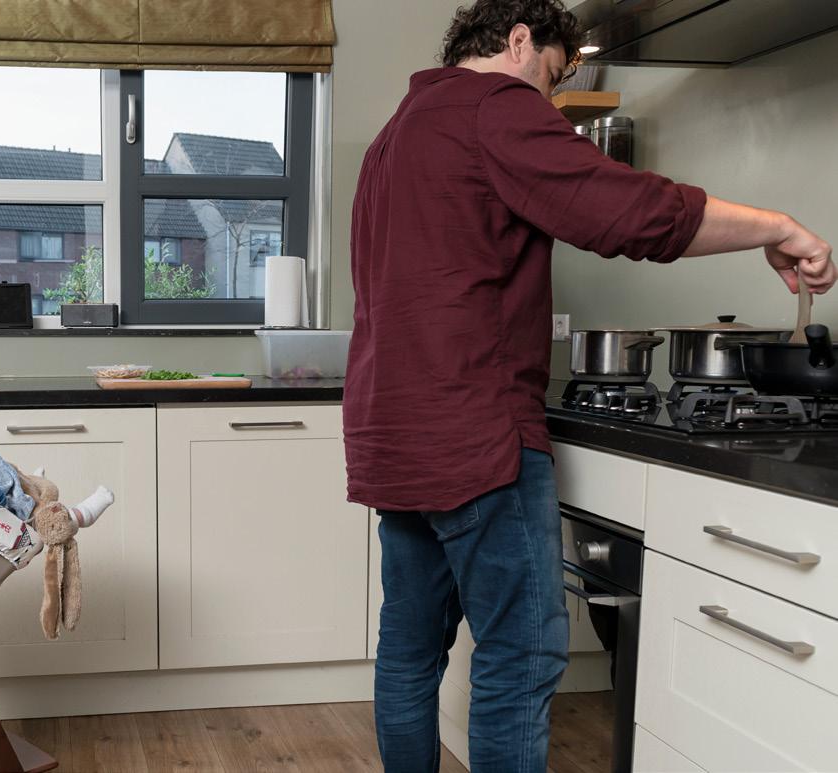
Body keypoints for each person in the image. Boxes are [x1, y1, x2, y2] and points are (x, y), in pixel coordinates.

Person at [342, 1, 835, 771]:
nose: (549, 100)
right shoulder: (494, 105)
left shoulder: (397, 133)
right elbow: (631, 213)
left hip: (393, 428)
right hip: (472, 433)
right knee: (522, 652)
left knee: (409, 647)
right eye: (551, 75)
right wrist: (776, 226)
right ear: (517, 41)